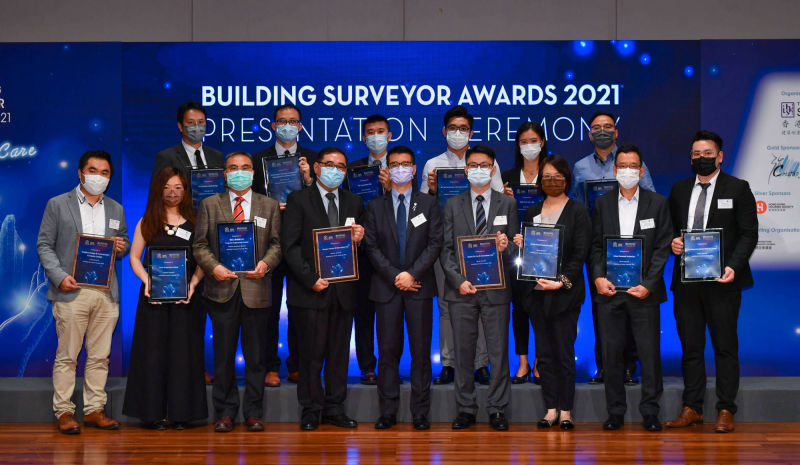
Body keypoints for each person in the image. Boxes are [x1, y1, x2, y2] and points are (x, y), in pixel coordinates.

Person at [664, 130, 758, 433]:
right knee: (691, 347)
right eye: (696, 154)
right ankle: (692, 408)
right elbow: (670, 230)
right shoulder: (679, 189)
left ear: (720, 156)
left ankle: (726, 409)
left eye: (707, 153)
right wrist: (673, 243)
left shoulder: (738, 188)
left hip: (723, 282)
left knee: (725, 347)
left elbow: (749, 233)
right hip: (687, 283)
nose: (701, 158)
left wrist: (733, 266)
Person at [37, 150, 130, 434]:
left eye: (105, 173)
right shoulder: (57, 204)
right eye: (93, 171)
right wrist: (59, 277)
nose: (98, 177)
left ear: (110, 177)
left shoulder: (116, 208)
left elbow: (123, 242)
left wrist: (121, 247)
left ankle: (94, 410)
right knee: (67, 355)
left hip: (105, 293)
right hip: (71, 290)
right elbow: (44, 245)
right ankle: (64, 411)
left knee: (100, 356)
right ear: (80, 173)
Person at [193, 151, 282, 433]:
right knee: (223, 357)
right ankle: (225, 413)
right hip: (221, 290)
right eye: (233, 168)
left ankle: (254, 413)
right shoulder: (210, 204)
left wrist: (266, 263)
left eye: (245, 167)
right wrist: (214, 267)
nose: (239, 172)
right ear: (225, 174)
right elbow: (199, 245)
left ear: (253, 173)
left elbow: (277, 244)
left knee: (256, 358)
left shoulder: (269, 205)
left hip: (256, 290)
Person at [282, 147, 366, 431]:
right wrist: (311, 279)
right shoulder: (298, 199)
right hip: (311, 291)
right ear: (316, 168)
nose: (335, 170)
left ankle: (334, 408)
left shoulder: (354, 201)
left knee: (339, 355)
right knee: (310, 355)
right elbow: (290, 246)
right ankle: (310, 409)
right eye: (329, 164)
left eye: (341, 166)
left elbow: (360, 249)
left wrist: (360, 238)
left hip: (343, 292)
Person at [589, 145, 672, 432]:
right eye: (622, 166)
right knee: (611, 355)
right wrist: (598, 278)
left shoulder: (658, 203)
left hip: (644, 293)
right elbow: (595, 247)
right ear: (614, 171)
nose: (627, 171)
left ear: (641, 170)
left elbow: (663, 247)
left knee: (649, 354)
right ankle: (615, 412)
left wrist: (649, 284)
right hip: (610, 292)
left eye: (632, 166)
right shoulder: (602, 204)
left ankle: (650, 411)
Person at [569, 110, 655, 386]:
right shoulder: (581, 167)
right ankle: (605, 366)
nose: (602, 131)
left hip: (631, 247)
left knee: (631, 306)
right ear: (589, 134)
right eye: (597, 127)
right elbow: (577, 207)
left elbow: (650, 199)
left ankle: (628, 366)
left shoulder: (633, 163)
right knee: (602, 309)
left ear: (616, 132)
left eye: (608, 126)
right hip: (598, 247)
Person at [363, 146, 443, 431]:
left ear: (414, 169)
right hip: (386, 288)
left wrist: (411, 274)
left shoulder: (429, 204)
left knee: (421, 352)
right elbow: (371, 246)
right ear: (387, 169)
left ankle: (420, 412)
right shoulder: (375, 206)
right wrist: (396, 276)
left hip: (418, 287)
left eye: (405, 164)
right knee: (387, 351)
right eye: (394, 164)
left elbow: (435, 243)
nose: (400, 169)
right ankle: (387, 411)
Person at [420, 105, 500, 386]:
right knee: (446, 307)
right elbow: (422, 209)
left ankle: (481, 364)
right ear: (444, 132)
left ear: (471, 132)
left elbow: (497, 200)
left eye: (463, 129)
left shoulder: (487, 162)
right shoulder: (432, 165)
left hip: (481, 245)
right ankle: (449, 363)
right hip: (446, 246)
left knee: (482, 306)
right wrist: (432, 191)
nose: (458, 133)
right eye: (453, 128)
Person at [123, 166, 208, 430]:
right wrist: (147, 281)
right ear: (158, 190)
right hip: (153, 299)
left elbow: (204, 259)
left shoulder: (196, 222)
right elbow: (134, 258)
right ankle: (153, 414)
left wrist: (193, 283)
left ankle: (182, 414)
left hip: (187, 298)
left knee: (184, 354)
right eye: (167, 187)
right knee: (153, 353)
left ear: (186, 191)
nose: (172, 193)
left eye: (178, 188)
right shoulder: (147, 221)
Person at [440, 145, 518, 431]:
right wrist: (458, 281)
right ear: (465, 170)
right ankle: (465, 409)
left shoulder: (507, 204)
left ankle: (497, 409)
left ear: (493, 169)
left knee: (498, 353)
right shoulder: (452, 204)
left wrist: (506, 247)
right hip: (462, 290)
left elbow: (515, 250)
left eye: (484, 165)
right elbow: (446, 250)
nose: (478, 170)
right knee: (463, 353)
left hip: (496, 291)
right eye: (473, 165)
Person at [514, 155, 591, 431]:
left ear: (566, 180)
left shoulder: (578, 211)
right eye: (546, 177)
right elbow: (531, 254)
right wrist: (522, 244)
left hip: (564, 295)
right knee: (544, 355)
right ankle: (550, 409)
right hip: (537, 295)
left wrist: (561, 281)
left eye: (557, 177)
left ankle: (566, 410)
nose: (552, 181)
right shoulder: (532, 212)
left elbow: (580, 254)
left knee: (564, 355)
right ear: (540, 181)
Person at [252, 104, 317, 387]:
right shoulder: (257, 160)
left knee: (301, 307)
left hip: (303, 244)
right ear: (273, 126)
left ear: (300, 126)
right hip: (269, 243)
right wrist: (268, 207)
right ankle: (270, 365)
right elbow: (249, 201)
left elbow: (323, 202)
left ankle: (298, 364)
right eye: (282, 121)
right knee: (268, 308)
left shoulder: (313, 159)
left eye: (293, 122)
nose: (287, 126)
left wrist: (308, 181)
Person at [342, 114, 395, 385]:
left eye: (380, 131)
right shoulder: (352, 170)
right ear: (363, 138)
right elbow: (346, 207)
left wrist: (389, 190)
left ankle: (390, 366)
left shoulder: (400, 167)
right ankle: (367, 366)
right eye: (370, 132)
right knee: (363, 313)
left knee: (391, 315)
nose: (376, 136)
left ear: (389, 135)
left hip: (393, 253)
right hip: (360, 252)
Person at [501, 121, 545, 385]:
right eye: (524, 142)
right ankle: (522, 362)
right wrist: (505, 199)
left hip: (544, 251)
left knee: (541, 308)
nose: (529, 146)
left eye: (533, 141)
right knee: (519, 309)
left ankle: (540, 361)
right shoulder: (508, 176)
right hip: (515, 252)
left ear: (542, 142)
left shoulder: (551, 173)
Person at [152, 101, 225, 181]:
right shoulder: (166, 157)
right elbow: (157, 188)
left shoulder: (217, 156)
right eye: (191, 122)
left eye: (201, 122)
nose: (197, 126)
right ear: (180, 126)